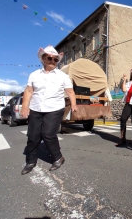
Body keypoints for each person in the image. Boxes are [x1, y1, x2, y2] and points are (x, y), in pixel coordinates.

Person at [21, 45, 78, 175]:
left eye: (55, 59)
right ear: (43, 59)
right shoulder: (34, 75)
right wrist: (25, 106)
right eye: (49, 58)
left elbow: (70, 91)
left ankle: (58, 158)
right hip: (36, 108)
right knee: (33, 136)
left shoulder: (62, 76)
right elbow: (29, 91)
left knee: (47, 134)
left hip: (54, 108)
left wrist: (74, 104)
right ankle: (30, 161)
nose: (52, 61)